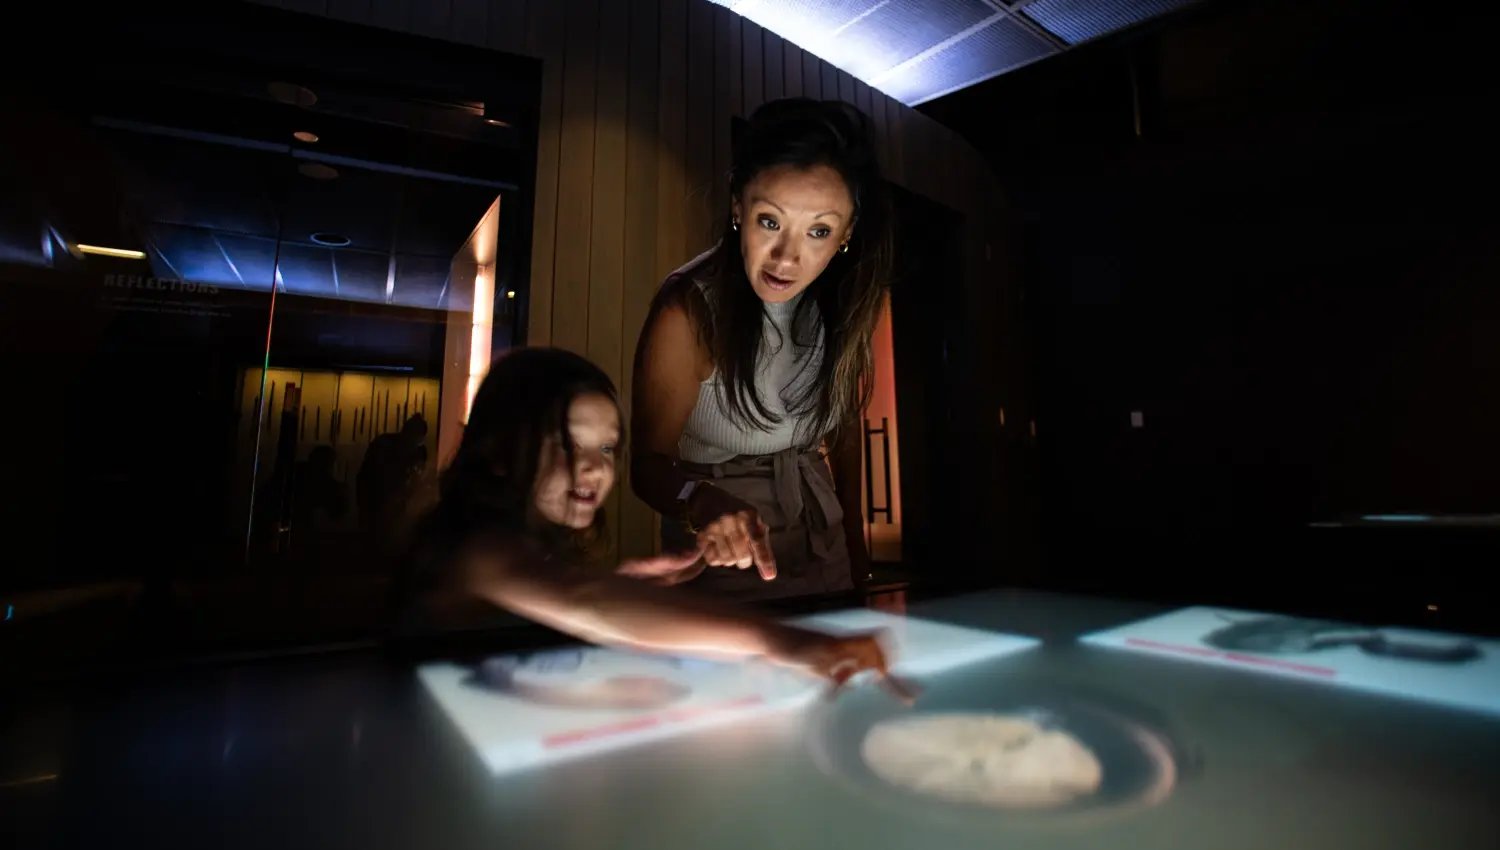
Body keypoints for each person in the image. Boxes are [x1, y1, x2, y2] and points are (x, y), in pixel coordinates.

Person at [398, 346, 904, 691]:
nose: (596, 466)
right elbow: (584, 602)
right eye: (569, 443)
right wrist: (784, 640)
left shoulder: (511, 549)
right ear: (499, 451)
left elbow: (554, 597)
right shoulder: (475, 551)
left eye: (608, 447)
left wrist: (622, 581)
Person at [631, 98, 893, 600]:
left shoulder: (843, 302)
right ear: (737, 206)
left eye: (819, 231)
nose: (787, 257)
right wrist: (700, 500)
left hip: (823, 530)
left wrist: (856, 543)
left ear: (846, 233)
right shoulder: (689, 311)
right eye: (770, 221)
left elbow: (842, 429)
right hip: (721, 544)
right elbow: (646, 466)